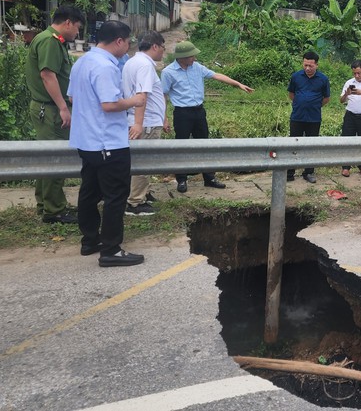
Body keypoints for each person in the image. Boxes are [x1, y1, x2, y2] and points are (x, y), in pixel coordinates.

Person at [68, 20, 146, 267]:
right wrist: (134, 100)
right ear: (119, 41)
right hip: (108, 143)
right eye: (128, 42)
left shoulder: (82, 62)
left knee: (89, 192)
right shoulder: (106, 67)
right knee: (115, 196)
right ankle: (111, 249)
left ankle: (90, 240)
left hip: (86, 140)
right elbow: (109, 104)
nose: (129, 47)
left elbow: (72, 96)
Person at [161, 40, 254, 193]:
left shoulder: (197, 67)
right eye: (192, 56)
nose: (195, 59)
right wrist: (164, 117)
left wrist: (237, 84)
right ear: (182, 57)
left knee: (205, 145)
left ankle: (209, 178)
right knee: (181, 147)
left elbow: (216, 75)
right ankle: (182, 179)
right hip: (182, 114)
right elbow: (163, 95)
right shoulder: (168, 72)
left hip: (199, 112)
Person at [24, 5, 85, 224]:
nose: (77, 33)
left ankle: (46, 204)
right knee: (55, 158)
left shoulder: (49, 39)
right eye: (77, 28)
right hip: (49, 109)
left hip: (46, 108)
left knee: (46, 157)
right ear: (68, 22)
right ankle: (54, 210)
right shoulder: (50, 40)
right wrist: (62, 107)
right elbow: (47, 75)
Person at [122, 31, 168, 216]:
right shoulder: (144, 66)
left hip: (142, 120)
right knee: (143, 161)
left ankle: (142, 193)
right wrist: (139, 124)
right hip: (145, 122)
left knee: (140, 161)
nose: (163, 52)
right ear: (155, 46)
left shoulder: (132, 61)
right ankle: (135, 203)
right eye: (163, 47)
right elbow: (142, 95)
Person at [287, 51, 330, 183]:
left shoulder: (323, 79)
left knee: (311, 145)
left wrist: (314, 106)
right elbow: (291, 94)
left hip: (314, 118)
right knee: (293, 145)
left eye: (310, 66)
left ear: (316, 65)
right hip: (297, 117)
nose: (307, 68)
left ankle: (309, 172)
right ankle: (290, 172)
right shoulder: (296, 76)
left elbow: (326, 98)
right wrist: (301, 104)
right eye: (305, 65)